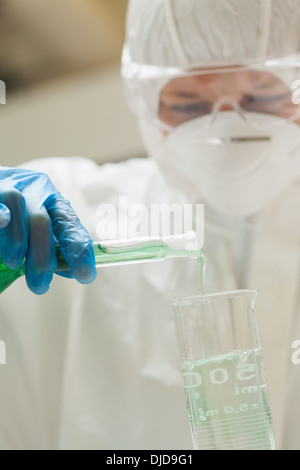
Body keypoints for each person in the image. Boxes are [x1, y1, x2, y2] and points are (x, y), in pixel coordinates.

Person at [0, 0, 300, 450]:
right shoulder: (66, 213)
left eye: (263, 96)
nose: (227, 130)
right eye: (189, 102)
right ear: (142, 98)